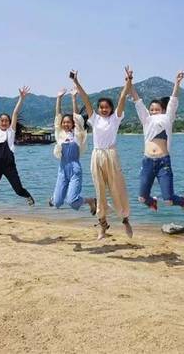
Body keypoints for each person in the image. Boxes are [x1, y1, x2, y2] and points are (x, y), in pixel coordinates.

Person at [71, 69, 133, 240]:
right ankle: (102, 225)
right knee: (100, 191)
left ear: (111, 109)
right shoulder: (94, 118)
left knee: (117, 188)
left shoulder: (115, 118)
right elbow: (85, 99)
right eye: (101, 107)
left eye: (107, 107)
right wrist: (76, 82)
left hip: (111, 155)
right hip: (96, 155)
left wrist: (128, 81)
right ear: (98, 109)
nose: (104, 109)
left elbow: (122, 98)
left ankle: (125, 219)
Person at [128, 66, 184, 212]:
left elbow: (173, 101)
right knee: (142, 198)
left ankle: (181, 200)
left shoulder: (168, 118)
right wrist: (130, 83)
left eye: (157, 109)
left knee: (168, 200)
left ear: (162, 110)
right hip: (148, 160)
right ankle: (152, 202)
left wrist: (177, 83)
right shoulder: (146, 120)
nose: (154, 111)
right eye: (152, 109)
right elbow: (137, 101)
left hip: (163, 162)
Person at [0, 86, 35, 206]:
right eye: (2, 120)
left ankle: (28, 196)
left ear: (10, 122)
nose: (4, 122)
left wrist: (21, 98)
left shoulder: (11, 132)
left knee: (18, 190)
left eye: (6, 121)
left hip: (9, 167)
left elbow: (15, 112)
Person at [49, 88, 97, 214]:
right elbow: (57, 117)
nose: (65, 124)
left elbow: (76, 117)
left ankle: (91, 201)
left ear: (72, 124)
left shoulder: (77, 134)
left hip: (75, 169)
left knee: (71, 201)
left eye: (68, 122)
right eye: (64, 122)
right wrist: (59, 98)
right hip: (62, 169)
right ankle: (54, 198)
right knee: (57, 203)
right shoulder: (59, 134)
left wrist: (74, 97)